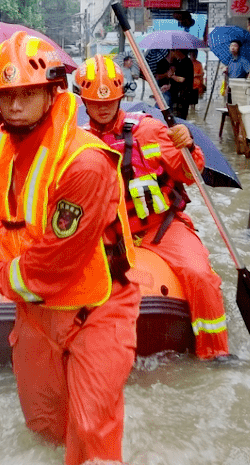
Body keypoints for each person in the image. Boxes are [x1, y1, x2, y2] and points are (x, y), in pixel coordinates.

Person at [0, 31, 139, 465]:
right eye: (5, 95)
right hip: (36, 311)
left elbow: (51, 267)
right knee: (44, 428)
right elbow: (5, 216)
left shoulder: (84, 162)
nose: (14, 104)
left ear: (53, 92)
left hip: (95, 308)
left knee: (89, 435)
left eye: (27, 93)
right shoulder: (6, 143)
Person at [74, 55, 231, 362]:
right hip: (107, 235)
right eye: (94, 101)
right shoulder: (78, 142)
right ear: (83, 101)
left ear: (122, 97)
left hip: (160, 228)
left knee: (199, 274)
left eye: (110, 100)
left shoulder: (149, 131)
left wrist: (188, 148)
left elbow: (189, 173)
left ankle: (216, 353)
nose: (103, 107)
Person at [167, 49, 195, 119]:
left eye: (174, 51)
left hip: (183, 95)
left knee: (180, 117)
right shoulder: (178, 61)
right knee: (174, 115)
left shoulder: (187, 63)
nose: (174, 53)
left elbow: (182, 79)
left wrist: (172, 76)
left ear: (179, 51)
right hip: (176, 94)